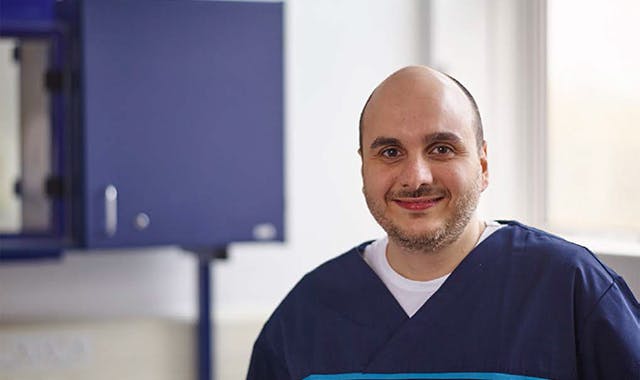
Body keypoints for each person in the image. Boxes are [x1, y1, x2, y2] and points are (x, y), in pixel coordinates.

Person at [246, 66, 640, 380]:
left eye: (441, 148)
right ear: (363, 167)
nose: (416, 177)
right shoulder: (305, 316)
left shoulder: (571, 288)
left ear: (483, 166)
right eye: (390, 151)